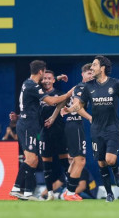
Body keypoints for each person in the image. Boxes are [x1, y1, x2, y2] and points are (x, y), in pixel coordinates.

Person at [63, 55, 119, 202]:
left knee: (110, 160)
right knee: (101, 163)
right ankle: (109, 194)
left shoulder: (115, 83)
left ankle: (116, 170)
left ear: (102, 68)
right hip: (96, 129)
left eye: (94, 65)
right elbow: (80, 105)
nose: (92, 68)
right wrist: (70, 108)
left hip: (112, 127)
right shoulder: (88, 86)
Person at [9, 60, 73, 201]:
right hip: (28, 125)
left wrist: (57, 78)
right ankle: (16, 188)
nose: (45, 77)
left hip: (28, 124)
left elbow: (43, 84)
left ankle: (26, 192)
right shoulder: (32, 86)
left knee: (34, 160)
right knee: (31, 159)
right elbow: (51, 101)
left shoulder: (28, 83)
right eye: (44, 73)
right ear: (40, 72)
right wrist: (68, 94)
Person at [60, 63, 93, 201]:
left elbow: (66, 102)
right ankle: (70, 192)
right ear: (83, 74)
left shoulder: (82, 87)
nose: (91, 75)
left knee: (74, 160)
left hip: (72, 125)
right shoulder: (82, 87)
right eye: (88, 73)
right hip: (74, 125)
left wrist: (61, 111)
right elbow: (77, 107)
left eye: (93, 73)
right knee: (80, 160)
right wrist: (91, 118)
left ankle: (67, 192)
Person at [38, 70, 70, 201]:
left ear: (53, 80)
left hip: (60, 133)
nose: (46, 80)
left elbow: (67, 107)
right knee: (47, 166)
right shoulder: (37, 94)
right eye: (44, 78)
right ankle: (50, 194)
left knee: (65, 163)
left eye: (49, 78)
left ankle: (69, 191)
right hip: (44, 134)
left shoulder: (60, 94)